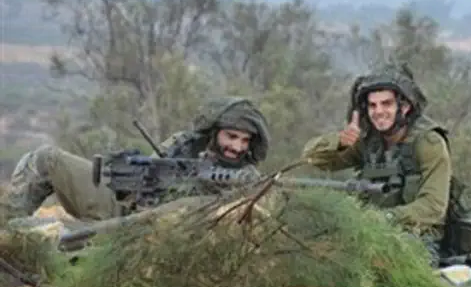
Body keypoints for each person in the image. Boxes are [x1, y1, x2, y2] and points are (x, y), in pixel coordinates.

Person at [301, 63, 471, 263]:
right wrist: (340, 141)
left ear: (405, 107)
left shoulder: (428, 143)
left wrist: (384, 218)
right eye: (372, 105)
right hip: (371, 233)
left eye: (386, 104)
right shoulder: (369, 142)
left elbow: (433, 207)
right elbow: (312, 157)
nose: (378, 112)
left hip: (417, 239)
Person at [0, 96, 271, 224]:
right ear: (214, 133)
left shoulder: (246, 177)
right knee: (45, 159)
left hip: (150, 234)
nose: (237, 147)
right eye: (231, 136)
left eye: (245, 140)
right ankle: (6, 232)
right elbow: (145, 177)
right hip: (123, 211)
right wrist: (126, 173)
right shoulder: (183, 144)